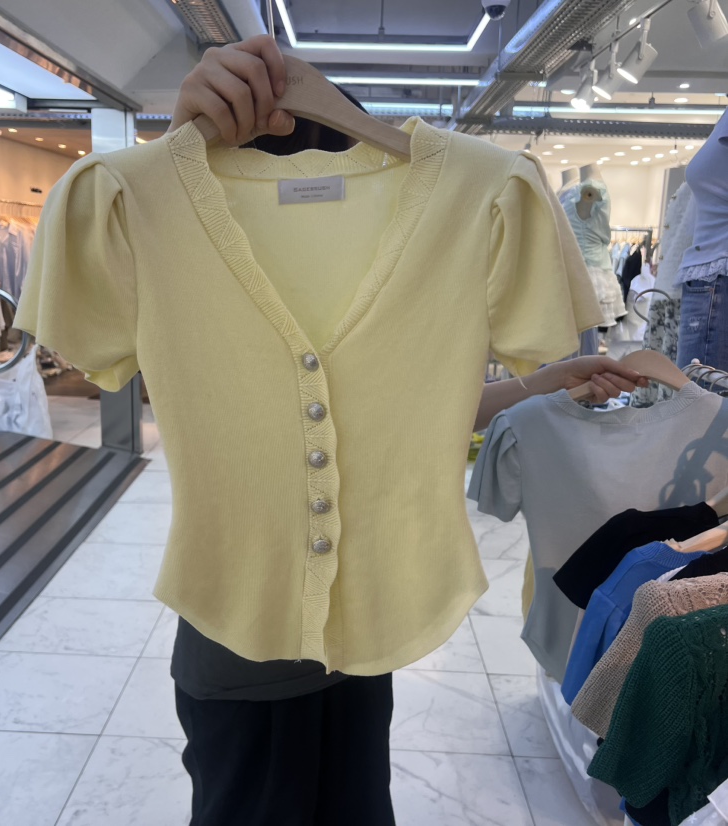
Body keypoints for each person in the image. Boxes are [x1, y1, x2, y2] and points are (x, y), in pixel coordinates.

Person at [166, 34, 648, 826]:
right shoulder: (197, 251)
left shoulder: (388, 275)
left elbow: (421, 410)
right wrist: (175, 158)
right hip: (246, 646)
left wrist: (549, 380)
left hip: (364, 634)